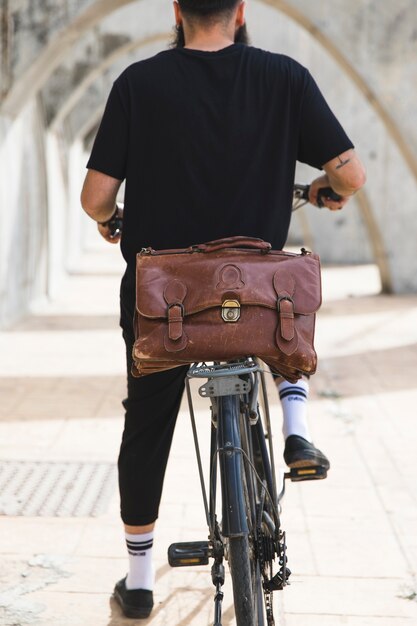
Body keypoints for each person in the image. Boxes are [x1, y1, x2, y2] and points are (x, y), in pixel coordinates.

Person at [81, 0, 366, 618]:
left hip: (168, 303)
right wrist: (326, 189)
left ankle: (138, 581)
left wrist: (111, 221)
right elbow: (351, 175)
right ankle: (296, 424)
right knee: (288, 310)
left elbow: (95, 197)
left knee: (148, 419)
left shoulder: (139, 83)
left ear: (177, 10)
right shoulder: (285, 77)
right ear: (239, 12)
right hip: (255, 293)